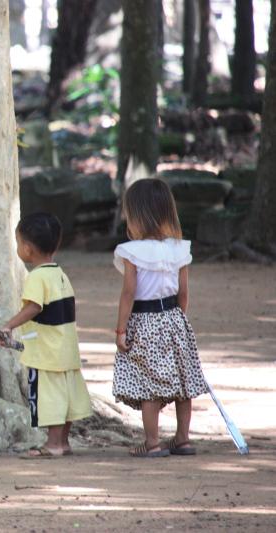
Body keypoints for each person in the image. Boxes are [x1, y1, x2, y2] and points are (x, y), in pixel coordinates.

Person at [113, 178, 209, 458]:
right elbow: (184, 292)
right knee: (183, 380)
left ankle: (152, 442)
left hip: (144, 321)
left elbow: (128, 293)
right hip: (175, 319)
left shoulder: (133, 251)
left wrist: (121, 330)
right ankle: (182, 438)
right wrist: (178, 321)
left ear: (136, 215)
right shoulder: (178, 249)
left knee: (148, 383)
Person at [0, 212, 92, 458]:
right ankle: (63, 441)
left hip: (46, 355)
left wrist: (8, 325)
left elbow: (34, 307)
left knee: (49, 400)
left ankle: (53, 444)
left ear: (27, 249)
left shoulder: (36, 277)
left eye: (18, 243)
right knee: (67, 398)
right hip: (65, 349)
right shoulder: (59, 274)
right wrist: (17, 345)